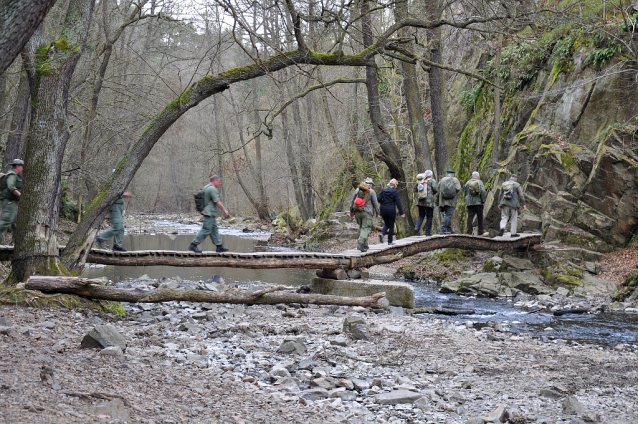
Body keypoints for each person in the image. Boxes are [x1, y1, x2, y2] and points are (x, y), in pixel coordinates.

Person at [189, 175, 230, 253]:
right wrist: (224, 210)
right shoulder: (212, 189)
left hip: (210, 213)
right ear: (215, 181)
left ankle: (219, 246)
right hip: (209, 213)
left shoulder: (207, 187)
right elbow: (217, 201)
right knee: (206, 230)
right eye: (218, 182)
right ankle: (193, 244)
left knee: (214, 230)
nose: (219, 184)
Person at [350, 177, 379, 252]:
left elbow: (352, 201)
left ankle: (365, 245)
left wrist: (351, 212)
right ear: (371, 185)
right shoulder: (371, 191)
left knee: (362, 227)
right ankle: (360, 243)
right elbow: (375, 203)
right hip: (367, 213)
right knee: (366, 228)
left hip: (357, 211)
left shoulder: (357, 190)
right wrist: (377, 213)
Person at [0, 159, 24, 242]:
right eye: (22, 166)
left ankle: (18, 242)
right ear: (17, 166)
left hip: (13, 201)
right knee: (7, 221)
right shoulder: (12, 174)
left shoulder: (16, 175)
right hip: (9, 201)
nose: (22, 168)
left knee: (15, 221)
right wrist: (21, 195)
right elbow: (11, 186)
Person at [377, 178, 405, 245]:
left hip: (383, 210)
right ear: (395, 185)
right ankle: (390, 241)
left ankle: (382, 233)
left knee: (387, 224)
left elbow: (378, 199)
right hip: (391, 210)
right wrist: (402, 213)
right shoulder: (395, 192)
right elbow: (398, 203)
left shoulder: (383, 190)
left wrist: (383, 203)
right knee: (391, 225)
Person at [436, 169, 462, 235]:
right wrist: (453, 193)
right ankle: (442, 229)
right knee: (448, 215)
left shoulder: (442, 180)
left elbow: (437, 189)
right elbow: (458, 188)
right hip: (451, 201)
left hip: (442, 201)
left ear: (447, 173)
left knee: (447, 215)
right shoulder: (455, 179)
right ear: (453, 174)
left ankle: (449, 229)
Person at [413, 170, 438, 236]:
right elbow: (436, 190)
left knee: (421, 215)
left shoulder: (419, 181)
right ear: (431, 175)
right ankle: (427, 232)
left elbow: (414, 190)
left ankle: (417, 227)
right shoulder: (432, 181)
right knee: (429, 217)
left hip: (420, 201)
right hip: (429, 202)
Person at [464, 171, 487, 236]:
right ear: (477, 176)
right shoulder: (479, 182)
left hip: (470, 203)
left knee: (470, 217)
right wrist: (483, 201)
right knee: (480, 217)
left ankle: (469, 232)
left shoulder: (467, 183)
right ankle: (481, 232)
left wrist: (467, 201)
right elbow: (482, 191)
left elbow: (465, 193)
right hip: (478, 203)